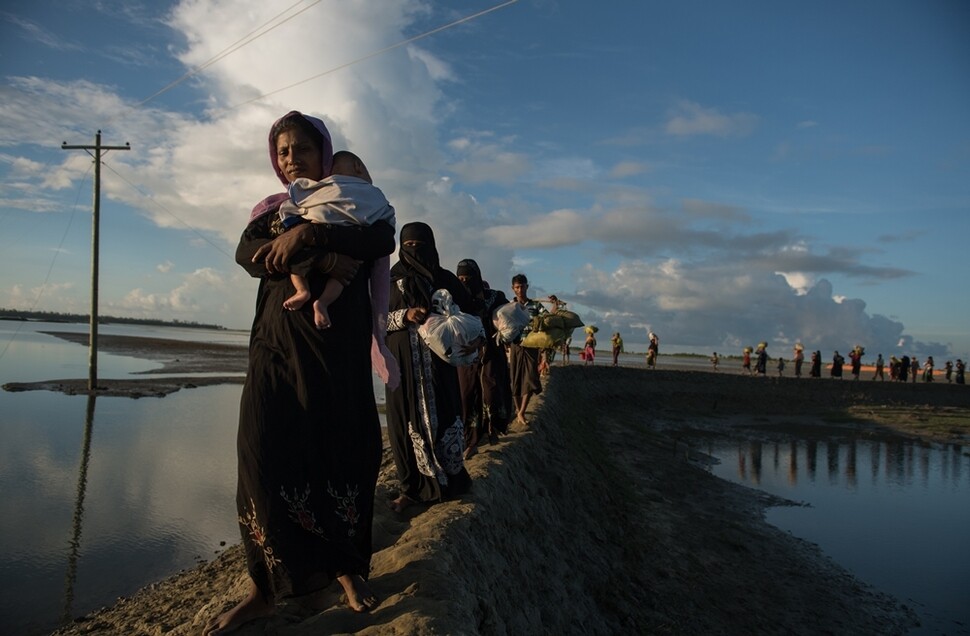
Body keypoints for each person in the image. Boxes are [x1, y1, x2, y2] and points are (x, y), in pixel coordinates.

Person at [205, 111, 396, 636]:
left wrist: (311, 237)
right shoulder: (273, 210)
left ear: (324, 154)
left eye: (301, 149)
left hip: (338, 352)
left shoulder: (355, 201)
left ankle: (346, 570)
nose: (291, 159)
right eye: (283, 151)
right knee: (262, 455)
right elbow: (249, 255)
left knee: (341, 452)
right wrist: (303, 246)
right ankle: (264, 591)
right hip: (275, 347)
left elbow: (380, 242)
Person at [383, 223, 475, 514]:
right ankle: (410, 490)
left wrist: (465, 332)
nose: (414, 250)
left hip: (439, 365)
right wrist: (404, 315)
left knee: (446, 416)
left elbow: (472, 314)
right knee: (404, 422)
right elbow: (374, 319)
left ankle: (450, 481)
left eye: (420, 244)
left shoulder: (445, 279)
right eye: (408, 244)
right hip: (402, 366)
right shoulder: (389, 280)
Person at [280, 150, 395, 330]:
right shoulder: (372, 194)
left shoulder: (316, 192)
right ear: (358, 167)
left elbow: (385, 242)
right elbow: (387, 217)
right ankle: (323, 303)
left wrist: (303, 228)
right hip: (348, 243)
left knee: (295, 260)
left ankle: (302, 290)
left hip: (317, 227)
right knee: (343, 276)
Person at [455, 258, 512, 453]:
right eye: (460, 278)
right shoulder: (458, 301)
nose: (464, 282)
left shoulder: (494, 297)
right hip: (466, 356)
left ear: (477, 277)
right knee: (467, 395)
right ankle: (471, 441)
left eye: (468, 277)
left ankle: (492, 428)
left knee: (491, 391)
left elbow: (508, 320)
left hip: (491, 353)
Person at [508, 274, 546, 425]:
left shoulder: (535, 306)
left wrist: (555, 305)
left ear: (527, 287)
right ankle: (518, 411)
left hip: (531, 346)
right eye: (517, 287)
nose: (520, 290)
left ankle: (522, 411)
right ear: (513, 288)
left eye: (522, 286)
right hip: (515, 346)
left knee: (530, 379)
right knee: (515, 380)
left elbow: (547, 318)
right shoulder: (510, 306)